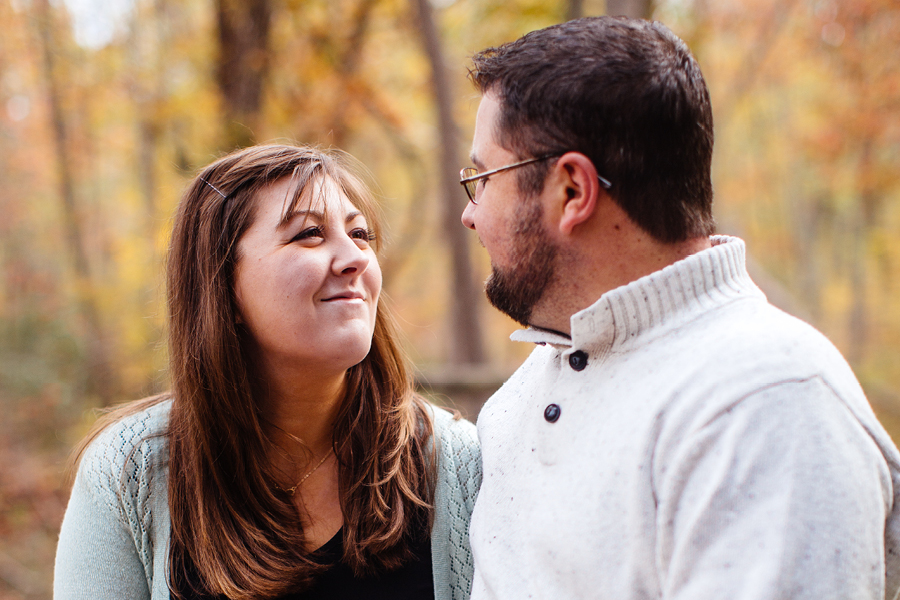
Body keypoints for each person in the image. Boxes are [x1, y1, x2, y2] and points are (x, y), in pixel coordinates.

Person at [458, 16, 900, 600]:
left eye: (484, 177)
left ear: (572, 191)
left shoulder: (766, 402)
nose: (470, 214)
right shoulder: (515, 406)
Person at [54, 144, 481, 600]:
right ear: (223, 284)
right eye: (309, 234)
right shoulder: (129, 472)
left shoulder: (456, 465)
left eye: (361, 234)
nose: (354, 257)